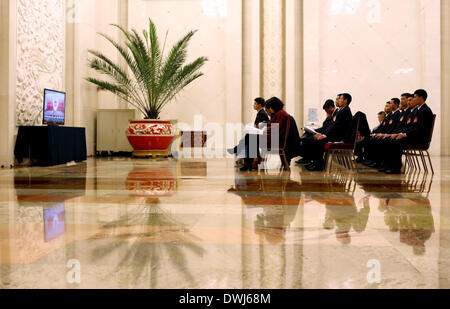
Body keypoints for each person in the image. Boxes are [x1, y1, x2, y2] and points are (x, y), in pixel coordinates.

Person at [377, 89, 434, 174]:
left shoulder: (425, 110)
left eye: (414, 97)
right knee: (391, 139)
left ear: (421, 98)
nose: (413, 99)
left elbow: (420, 129)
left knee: (395, 142)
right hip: (413, 136)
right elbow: (409, 127)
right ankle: (388, 164)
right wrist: (399, 134)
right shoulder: (418, 110)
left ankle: (396, 167)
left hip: (420, 138)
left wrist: (405, 134)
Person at [302, 93, 353, 171]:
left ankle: (318, 164)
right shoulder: (341, 111)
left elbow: (336, 126)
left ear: (345, 101)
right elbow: (332, 125)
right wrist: (323, 134)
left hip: (339, 137)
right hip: (336, 135)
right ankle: (315, 162)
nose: (338, 100)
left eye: (340, 99)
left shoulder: (345, 111)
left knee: (317, 140)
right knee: (313, 139)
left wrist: (324, 135)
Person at [296, 99, 337, 165]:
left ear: (330, 108)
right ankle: (306, 157)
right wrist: (314, 130)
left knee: (310, 140)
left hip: (329, 136)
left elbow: (330, 129)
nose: (326, 112)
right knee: (306, 134)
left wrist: (322, 134)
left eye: (326, 110)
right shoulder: (330, 116)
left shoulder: (334, 116)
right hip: (325, 133)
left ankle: (312, 160)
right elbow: (324, 128)